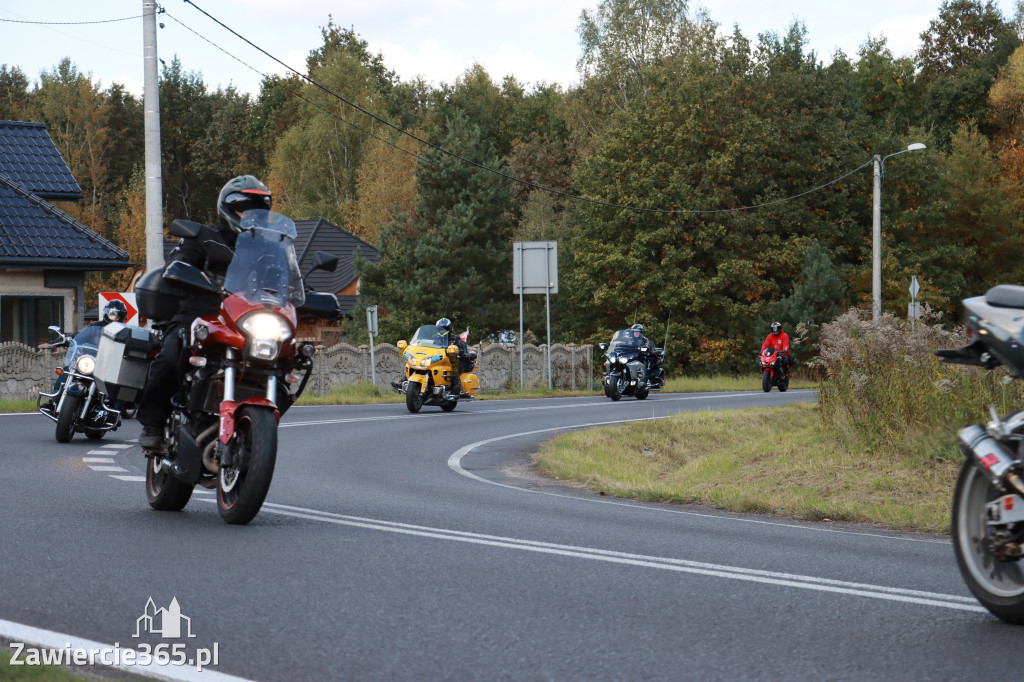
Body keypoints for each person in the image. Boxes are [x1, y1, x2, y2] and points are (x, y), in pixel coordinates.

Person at [137, 174, 272, 450]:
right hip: (200, 316)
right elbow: (178, 263)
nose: (250, 217)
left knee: (289, 361)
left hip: (245, 322)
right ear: (228, 209)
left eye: (258, 212)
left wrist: (308, 295)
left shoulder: (268, 249)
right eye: (245, 210)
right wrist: (184, 271)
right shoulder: (203, 237)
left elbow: (288, 280)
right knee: (172, 353)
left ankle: (257, 422)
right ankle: (153, 421)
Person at [434, 317, 470, 396]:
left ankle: (455, 388)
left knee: (454, 368)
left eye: (445, 328)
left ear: (449, 329)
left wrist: (457, 351)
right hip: (439, 359)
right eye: (440, 329)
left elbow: (460, 350)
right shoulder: (435, 338)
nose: (442, 330)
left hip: (454, 360)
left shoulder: (455, 339)